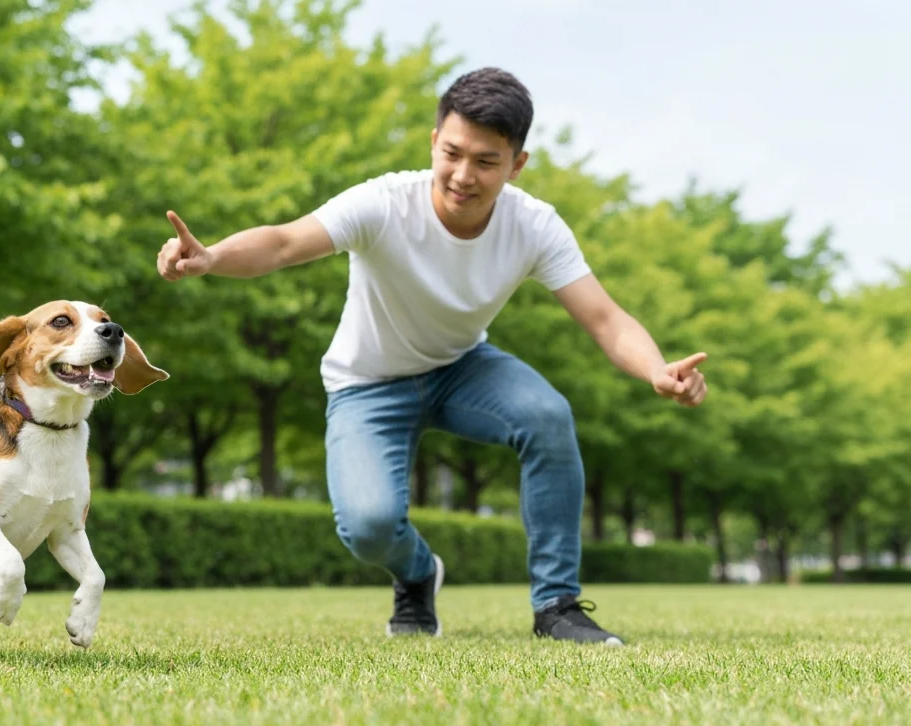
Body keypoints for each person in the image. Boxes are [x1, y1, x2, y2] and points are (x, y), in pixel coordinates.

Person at [155, 67, 708, 645]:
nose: (463, 176)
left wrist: (656, 370)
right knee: (368, 527)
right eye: (452, 153)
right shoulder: (384, 204)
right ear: (434, 141)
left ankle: (557, 607)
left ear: (517, 164)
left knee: (548, 416)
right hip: (366, 382)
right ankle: (418, 574)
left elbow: (605, 317)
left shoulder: (534, 225)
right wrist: (213, 257)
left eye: (487, 162)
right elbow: (285, 241)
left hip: (463, 368)